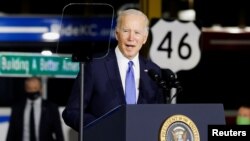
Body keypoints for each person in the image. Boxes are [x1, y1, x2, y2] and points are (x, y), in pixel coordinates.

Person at [62, 8, 165, 131]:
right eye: (126, 31)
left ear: (145, 38)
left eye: (137, 32)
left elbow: (159, 115)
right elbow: (72, 112)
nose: (131, 38)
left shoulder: (154, 72)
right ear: (117, 34)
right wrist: (100, 127)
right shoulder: (94, 66)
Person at [6, 77, 64, 141]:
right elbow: (11, 133)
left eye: (35, 88)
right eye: (29, 88)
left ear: (41, 89)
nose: (33, 91)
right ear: (25, 89)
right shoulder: (17, 108)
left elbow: (59, 134)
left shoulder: (51, 108)